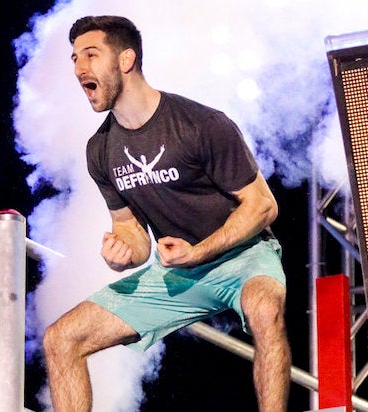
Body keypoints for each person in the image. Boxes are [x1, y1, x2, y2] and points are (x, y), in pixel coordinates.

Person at [43, 15, 291, 411]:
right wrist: (122, 252)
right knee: (61, 338)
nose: (79, 69)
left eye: (90, 55)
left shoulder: (202, 124)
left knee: (265, 308)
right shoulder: (100, 150)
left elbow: (263, 205)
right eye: (75, 59)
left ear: (126, 60)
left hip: (244, 258)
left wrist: (199, 251)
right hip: (177, 273)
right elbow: (131, 231)